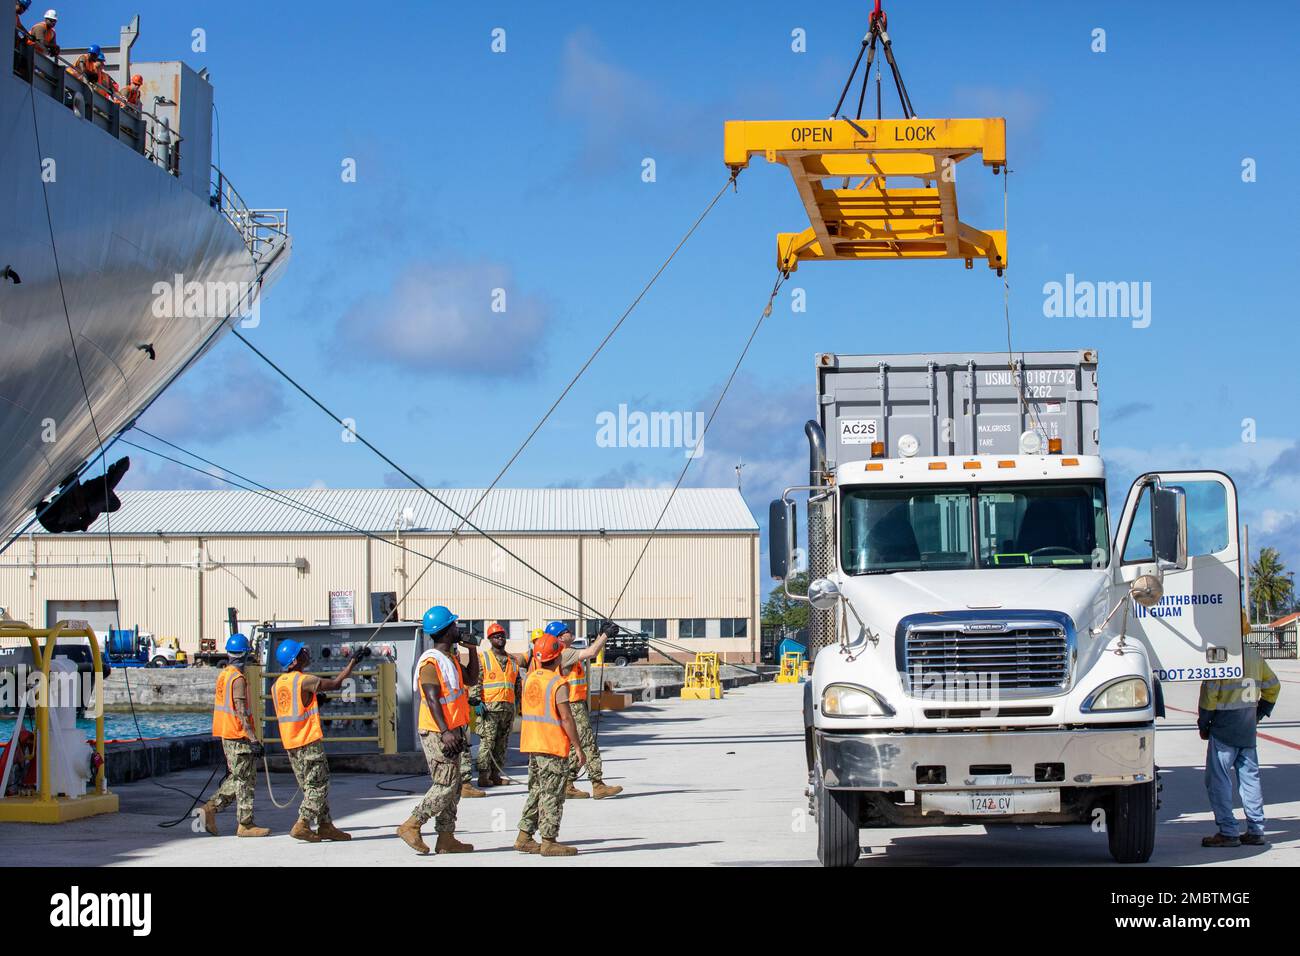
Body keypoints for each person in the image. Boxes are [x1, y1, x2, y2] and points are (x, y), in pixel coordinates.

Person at [396, 605, 480, 855]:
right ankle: (412, 824)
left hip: (452, 730)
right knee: (445, 785)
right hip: (437, 732)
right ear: (445, 631)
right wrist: (445, 731)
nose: (458, 629)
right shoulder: (430, 663)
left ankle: (446, 838)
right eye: (454, 625)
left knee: (454, 788)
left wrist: (472, 650)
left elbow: (472, 679)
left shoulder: (450, 659)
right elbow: (432, 699)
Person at [273, 638, 362, 843]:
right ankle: (302, 824)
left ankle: (325, 826)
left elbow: (297, 706)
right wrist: (352, 663)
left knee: (310, 786)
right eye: (301, 651)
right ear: (294, 661)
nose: (306, 652)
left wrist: (315, 701)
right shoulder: (304, 680)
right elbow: (337, 684)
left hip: (291, 743)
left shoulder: (278, 685)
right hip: (308, 741)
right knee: (319, 786)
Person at [1198, 641, 1280, 848]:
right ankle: (1256, 830)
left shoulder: (1221, 656)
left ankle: (1228, 831)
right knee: (1250, 780)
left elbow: (1210, 694)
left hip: (1224, 728)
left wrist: (1204, 722)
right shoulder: (1254, 656)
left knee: (1219, 781)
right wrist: (1259, 713)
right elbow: (1273, 686)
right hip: (1247, 727)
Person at [515, 633, 583, 857]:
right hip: (551, 745)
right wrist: (578, 748)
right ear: (557, 658)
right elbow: (566, 718)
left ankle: (524, 836)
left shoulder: (530, 679)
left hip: (532, 744)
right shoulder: (558, 683)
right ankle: (548, 840)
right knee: (552, 794)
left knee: (536, 790)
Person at [542, 620, 623, 800]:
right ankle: (598, 784)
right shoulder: (565, 652)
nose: (571, 633)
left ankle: (568, 783)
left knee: (574, 747)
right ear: (560, 637)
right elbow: (592, 652)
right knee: (588, 744)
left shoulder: (564, 653)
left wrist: (601, 636)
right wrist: (606, 635)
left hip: (573, 704)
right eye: (567, 631)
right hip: (573, 705)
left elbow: (590, 650)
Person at [201, 634, 271, 837]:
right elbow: (241, 710)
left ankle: (214, 811)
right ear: (245, 655)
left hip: (227, 732)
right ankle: (242, 823)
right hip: (237, 734)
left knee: (240, 777)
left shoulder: (224, 674)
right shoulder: (238, 679)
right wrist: (253, 739)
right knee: (244, 779)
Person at [475, 622, 522, 788]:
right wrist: (476, 701)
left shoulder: (513, 661)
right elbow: (477, 681)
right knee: (487, 742)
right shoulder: (484, 659)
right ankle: (482, 775)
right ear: (490, 639)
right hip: (489, 708)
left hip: (507, 708)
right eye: (496, 636)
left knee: (502, 743)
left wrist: (521, 704)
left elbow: (517, 684)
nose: (500, 639)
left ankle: (495, 775)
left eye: (502, 636)